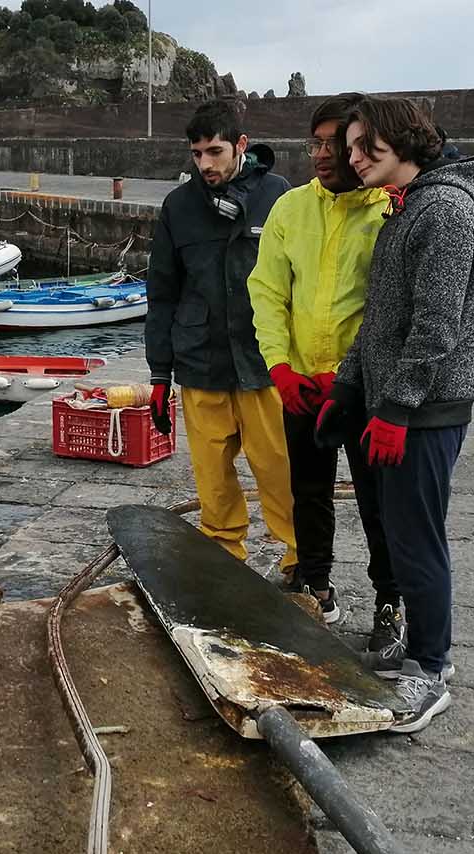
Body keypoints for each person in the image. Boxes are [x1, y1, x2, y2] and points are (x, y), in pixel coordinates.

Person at [315, 96, 474, 732]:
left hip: (425, 411)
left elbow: (436, 328)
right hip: (395, 403)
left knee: (417, 538)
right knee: (397, 532)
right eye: (351, 147)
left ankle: (432, 669)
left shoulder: (442, 211)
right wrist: (347, 388)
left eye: (366, 148)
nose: (351, 158)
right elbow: (380, 319)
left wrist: (395, 408)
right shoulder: (406, 209)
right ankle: (419, 651)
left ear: (405, 145)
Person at [247, 92, 402, 645]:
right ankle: (315, 586)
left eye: (335, 142)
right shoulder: (289, 209)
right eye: (314, 142)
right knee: (307, 492)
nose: (321, 153)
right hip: (301, 387)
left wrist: (346, 373)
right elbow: (267, 292)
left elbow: (390, 310)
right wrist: (282, 369)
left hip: (364, 388)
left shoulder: (389, 211)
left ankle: (391, 601)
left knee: (377, 500)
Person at [146, 101, 298, 577]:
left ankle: (301, 559)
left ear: (241, 146)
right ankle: (224, 556)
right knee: (212, 477)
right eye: (197, 154)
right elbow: (162, 293)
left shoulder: (279, 197)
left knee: (280, 471)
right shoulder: (178, 206)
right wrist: (158, 374)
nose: (206, 164)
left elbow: (301, 284)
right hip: (200, 363)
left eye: (215, 151)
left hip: (262, 363)